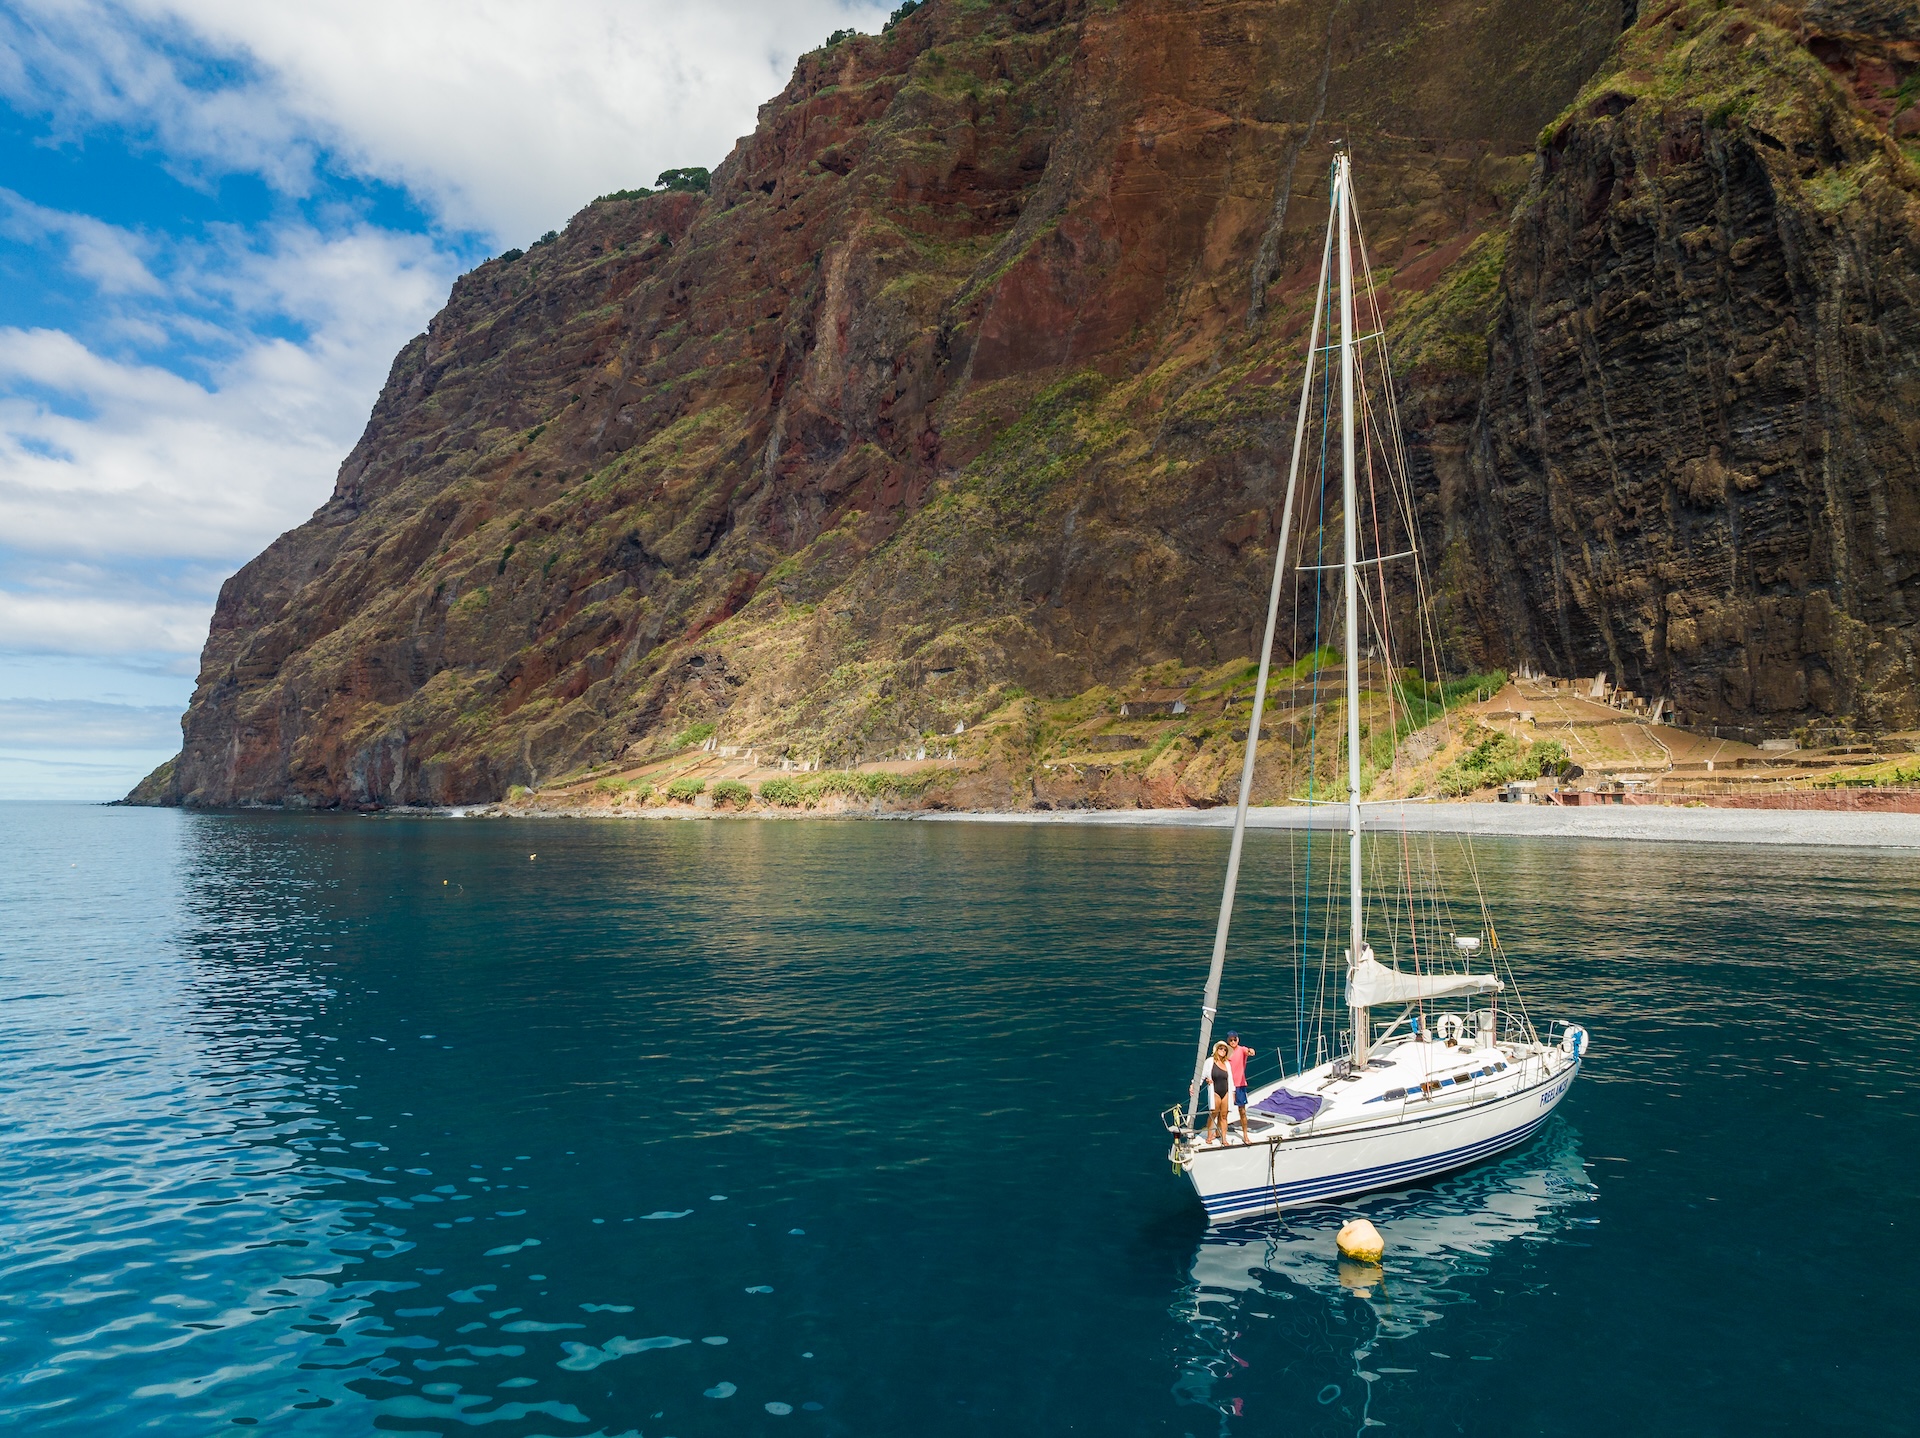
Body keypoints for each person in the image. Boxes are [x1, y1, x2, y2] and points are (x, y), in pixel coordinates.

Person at [1227, 1032, 1257, 1143]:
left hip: (1240, 1084)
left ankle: (1245, 1135)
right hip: (1228, 1085)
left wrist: (1251, 1051)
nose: (1233, 1042)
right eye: (1231, 1040)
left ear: (1238, 1040)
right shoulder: (1226, 1051)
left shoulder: (1241, 1049)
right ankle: (1219, 1132)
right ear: (1228, 1041)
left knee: (1242, 1111)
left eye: (1235, 1040)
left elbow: (1249, 1051)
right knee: (1223, 1111)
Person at [1206, 1041, 1232, 1143]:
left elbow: (1230, 1079)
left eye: (1225, 1049)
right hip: (1215, 1092)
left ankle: (1224, 1139)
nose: (1223, 1051)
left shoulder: (1227, 1064)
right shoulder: (1210, 1061)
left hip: (1225, 1092)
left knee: (1224, 1116)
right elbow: (1202, 1075)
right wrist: (1193, 1085)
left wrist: (1232, 1092)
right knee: (1214, 1114)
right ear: (1216, 1050)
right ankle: (1209, 1135)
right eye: (1221, 1049)